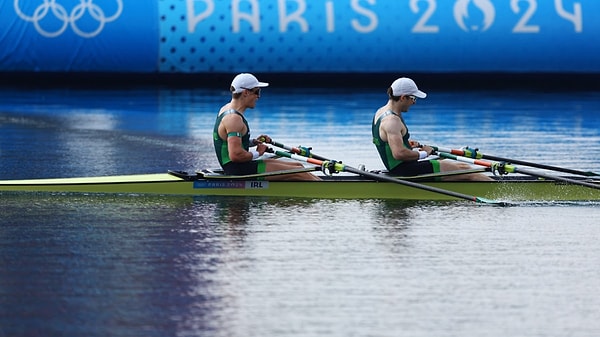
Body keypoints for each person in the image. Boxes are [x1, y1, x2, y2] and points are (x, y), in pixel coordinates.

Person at [372, 77, 493, 181]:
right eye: (413, 98)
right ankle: (502, 192)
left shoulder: (380, 112)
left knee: (460, 166)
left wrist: (405, 143)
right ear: (403, 97)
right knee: (466, 170)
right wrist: (424, 153)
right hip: (406, 170)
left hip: (402, 166)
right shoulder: (392, 121)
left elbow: (386, 142)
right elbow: (399, 154)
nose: (414, 102)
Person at [213, 73, 321, 181]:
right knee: (300, 174)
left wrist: (253, 142)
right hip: (239, 170)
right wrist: (258, 153)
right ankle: (328, 194)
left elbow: (228, 142)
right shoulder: (233, 119)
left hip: (242, 166)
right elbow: (235, 155)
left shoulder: (225, 109)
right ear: (245, 92)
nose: (258, 96)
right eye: (257, 92)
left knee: (298, 167)